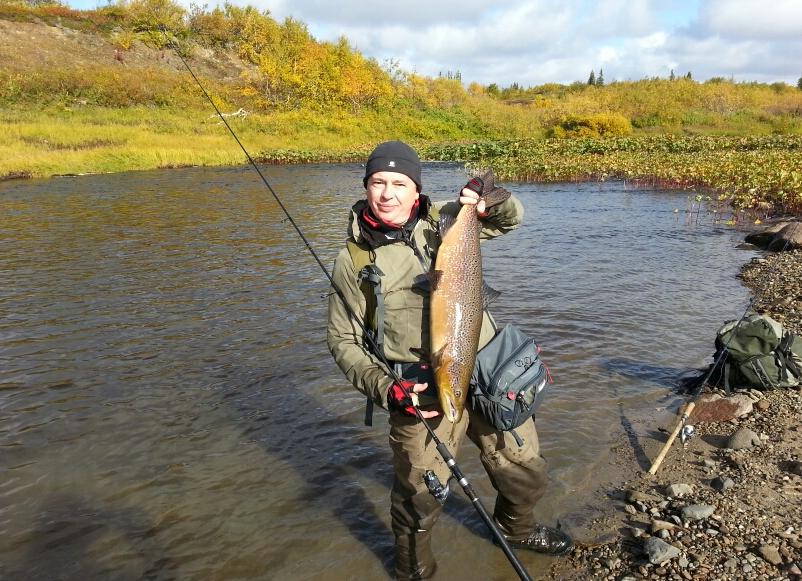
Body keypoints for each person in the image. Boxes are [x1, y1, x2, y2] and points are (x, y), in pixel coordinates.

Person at [327, 141, 572, 580]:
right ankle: (413, 571)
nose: (387, 193)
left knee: (525, 468)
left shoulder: (444, 219)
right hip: (418, 393)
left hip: (489, 371)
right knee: (418, 497)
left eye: (398, 183)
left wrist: (488, 200)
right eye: (378, 182)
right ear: (365, 187)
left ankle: (516, 528)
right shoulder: (353, 258)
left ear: (414, 187)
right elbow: (343, 340)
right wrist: (386, 389)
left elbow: (510, 219)